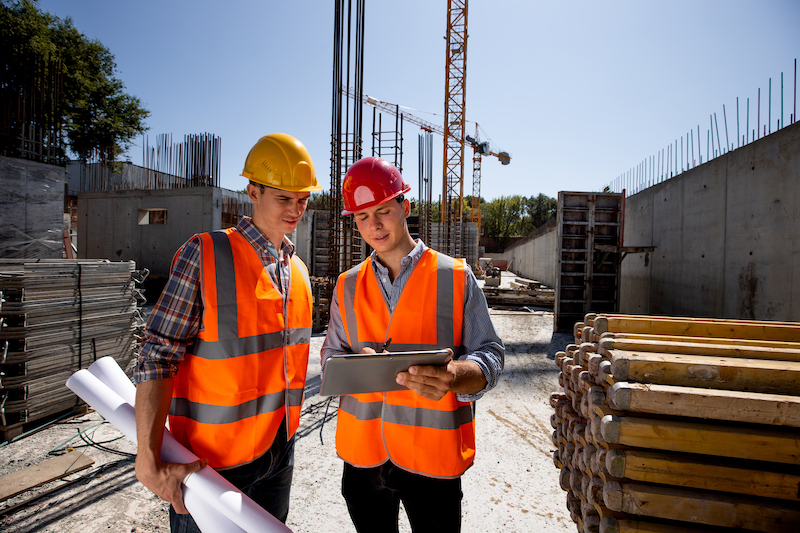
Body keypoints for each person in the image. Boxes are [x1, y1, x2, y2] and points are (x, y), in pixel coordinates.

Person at [134, 133, 321, 532]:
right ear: (252, 191)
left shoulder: (299, 273)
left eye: (302, 199)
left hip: (278, 452)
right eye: (284, 198)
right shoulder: (206, 254)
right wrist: (147, 456)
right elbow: (158, 355)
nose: (295, 210)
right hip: (209, 464)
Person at [321, 156, 505, 533]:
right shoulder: (347, 284)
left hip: (431, 461)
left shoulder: (455, 276)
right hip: (363, 457)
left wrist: (456, 375)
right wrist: (354, 366)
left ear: (405, 207)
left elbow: (490, 353)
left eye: (383, 211)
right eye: (361, 217)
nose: (373, 225)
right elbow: (330, 356)